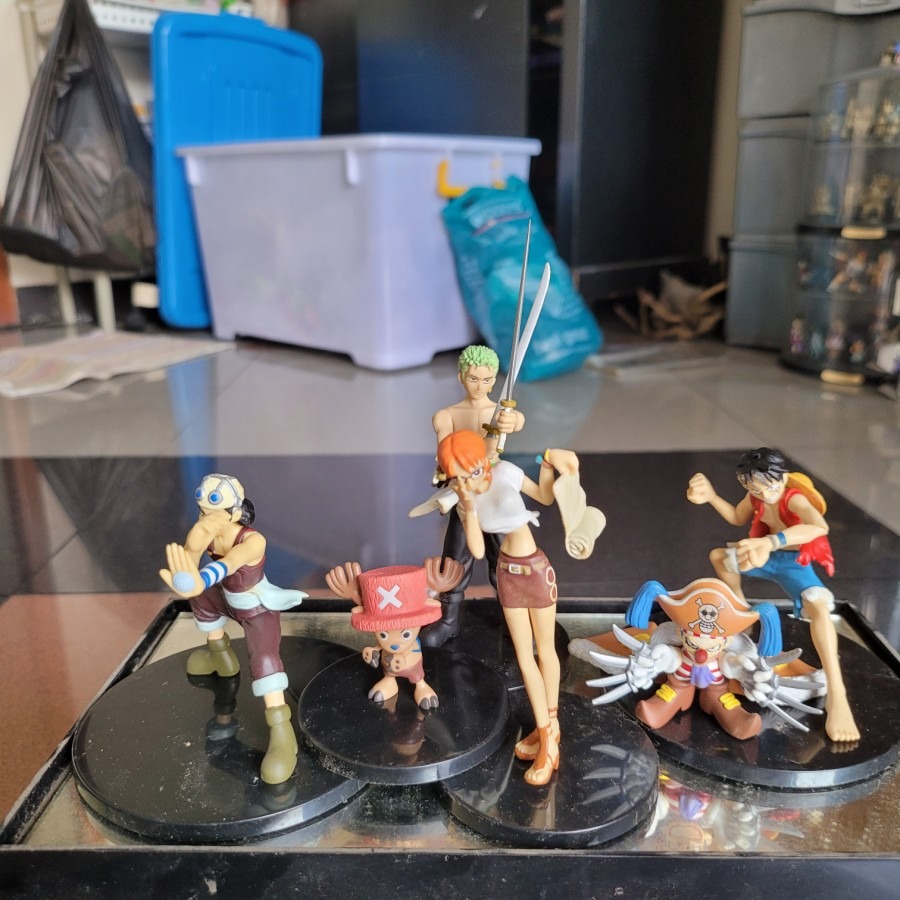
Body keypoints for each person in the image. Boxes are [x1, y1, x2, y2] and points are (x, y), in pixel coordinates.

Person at [686, 448, 859, 743]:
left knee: (819, 608)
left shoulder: (794, 498)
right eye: (756, 489)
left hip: (793, 563)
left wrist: (772, 540)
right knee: (720, 557)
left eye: (771, 487)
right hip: (765, 556)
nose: (764, 495)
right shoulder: (755, 495)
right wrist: (712, 496)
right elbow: (736, 517)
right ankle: (741, 613)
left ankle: (837, 693)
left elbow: (820, 527)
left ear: (782, 478)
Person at [438, 429, 577, 786]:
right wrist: (469, 507)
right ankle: (546, 732)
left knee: (546, 650)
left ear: (482, 462)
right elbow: (478, 551)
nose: (468, 481)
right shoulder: (467, 501)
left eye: (471, 471)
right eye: (457, 477)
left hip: (535, 568)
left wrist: (546, 464)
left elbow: (545, 496)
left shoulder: (506, 472)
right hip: (507, 574)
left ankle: (550, 735)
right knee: (524, 656)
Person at [160, 474, 307, 784]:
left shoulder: (253, 540)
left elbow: (229, 564)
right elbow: (188, 570)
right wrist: (192, 549)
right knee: (201, 598)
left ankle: (282, 735)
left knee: (265, 662)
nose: (207, 515)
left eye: (213, 507)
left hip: (255, 608)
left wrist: (202, 577)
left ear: (235, 510)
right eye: (203, 507)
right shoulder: (206, 532)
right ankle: (220, 657)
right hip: (224, 598)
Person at [422, 345, 525, 647]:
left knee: (505, 559)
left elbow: (517, 420)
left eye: (487, 380)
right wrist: (455, 473)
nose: (480, 386)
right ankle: (448, 620)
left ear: (494, 380)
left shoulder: (501, 414)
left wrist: (511, 421)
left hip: (496, 496)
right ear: (461, 378)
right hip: (464, 495)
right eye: (473, 379)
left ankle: (514, 619)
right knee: (456, 558)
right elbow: (445, 458)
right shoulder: (447, 416)